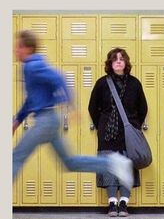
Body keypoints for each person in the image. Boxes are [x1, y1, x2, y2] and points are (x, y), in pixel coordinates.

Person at [12, 30, 134, 191]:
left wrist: (70, 104)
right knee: (70, 162)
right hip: (49, 120)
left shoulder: (32, 66)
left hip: (45, 122)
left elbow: (59, 78)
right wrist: (17, 120)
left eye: (18, 46)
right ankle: (114, 163)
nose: (15, 50)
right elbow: (31, 99)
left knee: (16, 157)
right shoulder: (31, 67)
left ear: (27, 48)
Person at [88, 48, 148, 216]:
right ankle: (112, 203)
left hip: (128, 134)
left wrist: (135, 126)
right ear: (110, 63)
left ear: (126, 62)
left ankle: (124, 204)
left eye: (122, 59)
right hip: (107, 134)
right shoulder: (102, 83)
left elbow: (142, 108)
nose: (119, 61)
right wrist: (101, 125)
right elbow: (93, 107)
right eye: (115, 59)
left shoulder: (135, 83)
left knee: (127, 167)